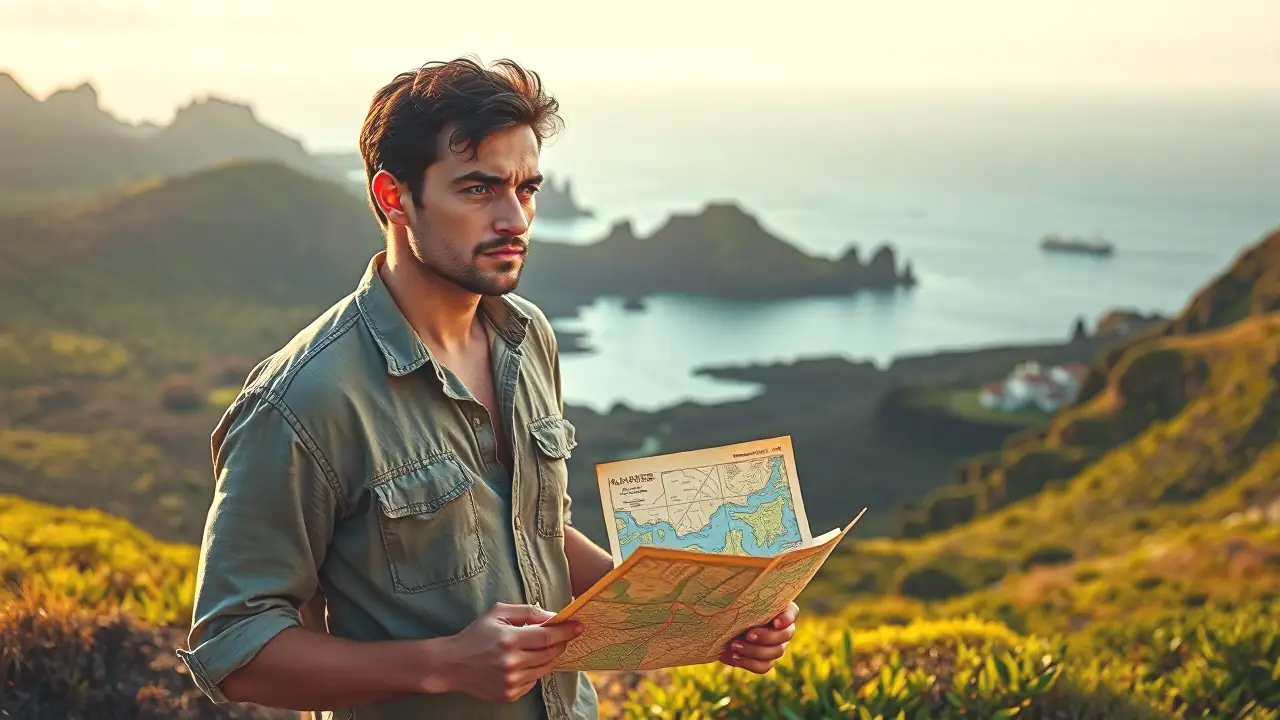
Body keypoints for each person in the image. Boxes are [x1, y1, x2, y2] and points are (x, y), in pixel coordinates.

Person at [177, 57, 800, 720]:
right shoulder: (303, 401)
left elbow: (534, 527)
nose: (515, 219)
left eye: (527, 189)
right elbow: (232, 648)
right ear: (394, 198)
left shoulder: (528, 338)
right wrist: (443, 664)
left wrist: (703, 613)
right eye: (478, 190)